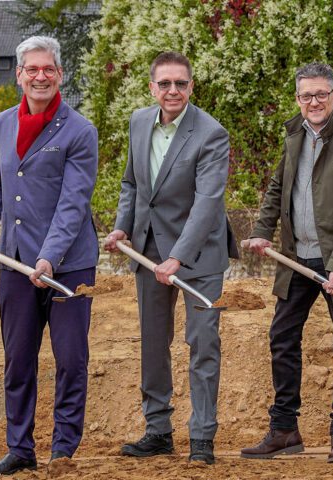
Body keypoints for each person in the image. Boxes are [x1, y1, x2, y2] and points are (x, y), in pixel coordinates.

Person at [0, 36, 99, 477]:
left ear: (60, 75)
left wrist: (50, 258)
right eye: (32, 69)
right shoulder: (3, 122)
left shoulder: (80, 131)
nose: (40, 76)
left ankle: (63, 451)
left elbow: (74, 203)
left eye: (48, 70)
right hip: (15, 263)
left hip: (68, 265)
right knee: (18, 359)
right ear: (18, 74)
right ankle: (19, 449)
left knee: (70, 358)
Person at [239, 62, 333, 464]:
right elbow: (277, 187)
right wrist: (261, 230)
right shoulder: (295, 135)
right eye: (306, 95)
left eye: (322, 94)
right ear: (298, 99)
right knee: (282, 337)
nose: (314, 102)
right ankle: (285, 429)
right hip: (296, 258)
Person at [103, 51, 237, 465]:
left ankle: (202, 438)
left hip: (199, 256)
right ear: (152, 88)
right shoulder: (139, 122)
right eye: (165, 84)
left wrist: (178, 257)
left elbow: (208, 203)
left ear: (191, 86)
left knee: (202, 344)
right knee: (152, 344)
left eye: (180, 83)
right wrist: (123, 226)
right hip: (148, 251)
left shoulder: (211, 134)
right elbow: (131, 183)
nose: (172, 90)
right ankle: (158, 430)